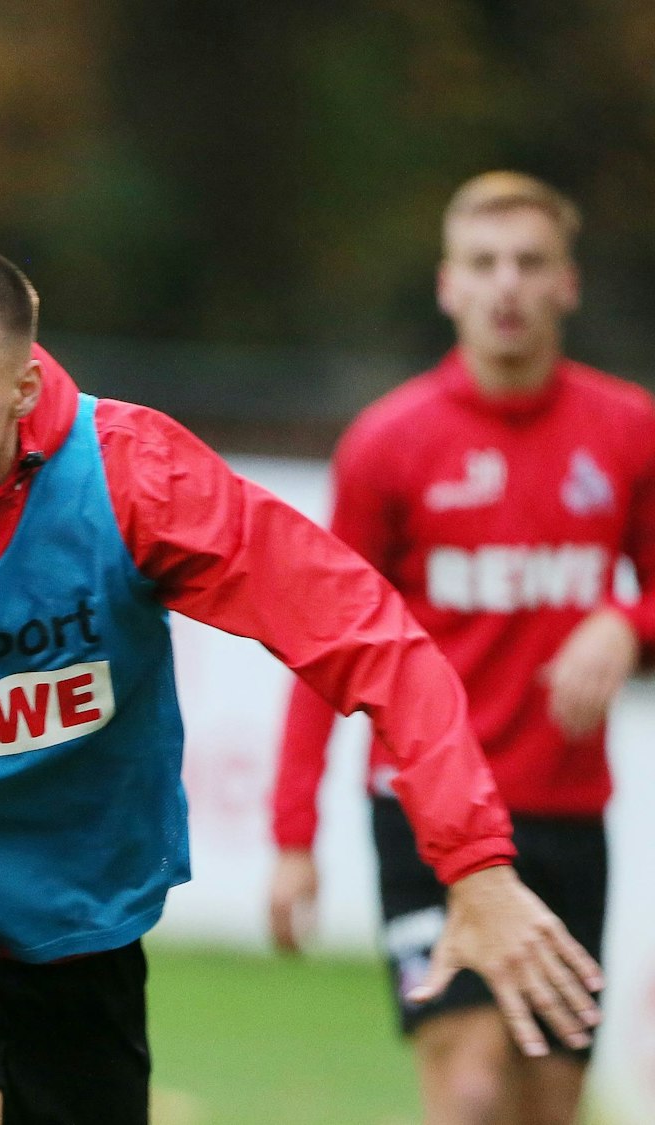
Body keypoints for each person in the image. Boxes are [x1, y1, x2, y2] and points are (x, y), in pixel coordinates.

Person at [0, 241, 604, 1125]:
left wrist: (473, 862)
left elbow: (365, 634)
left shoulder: (134, 479)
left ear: (22, 385)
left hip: (79, 928)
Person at [269, 172, 653, 1125]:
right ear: (449, 285)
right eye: (484, 264)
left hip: (566, 811)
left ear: (568, 284)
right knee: (474, 1083)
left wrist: (628, 621)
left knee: (546, 1101)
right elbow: (327, 644)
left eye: (530, 263)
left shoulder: (629, 432)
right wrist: (292, 834)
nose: (506, 286)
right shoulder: (389, 444)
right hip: (426, 809)